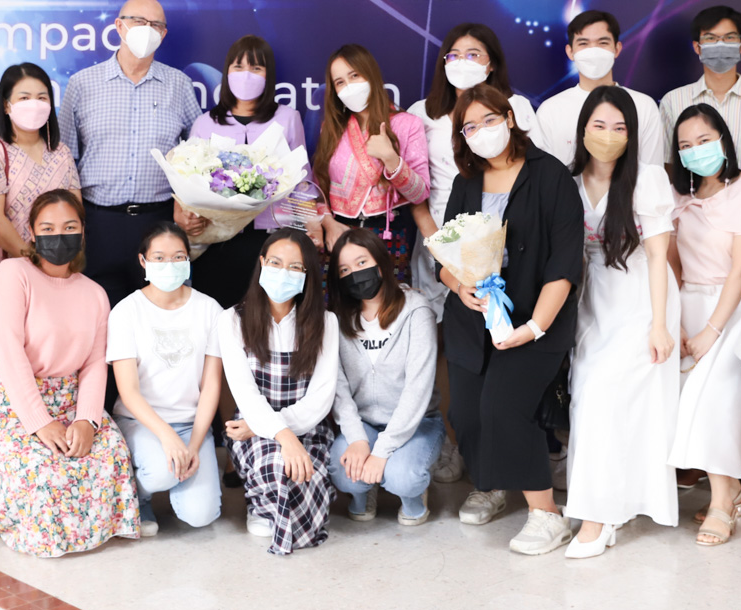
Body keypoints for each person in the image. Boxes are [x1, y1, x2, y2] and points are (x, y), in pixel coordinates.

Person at [439, 85, 582, 556]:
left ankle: (547, 514)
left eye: (489, 120)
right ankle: (491, 484)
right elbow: (446, 255)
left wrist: (535, 327)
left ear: (510, 118)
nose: (482, 131)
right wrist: (459, 286)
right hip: (471, 319)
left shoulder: (551, 176)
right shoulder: (466, 181)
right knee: (467, 413)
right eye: (470, 126)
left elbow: (564, 264)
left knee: (504, 406)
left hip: (534, 320)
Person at [407, 23, 546, 484]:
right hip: (440, 245)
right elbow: (417, 190)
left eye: (474, 53)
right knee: (448, 348)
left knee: (501, 340)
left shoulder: (515, 107)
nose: (463, 62)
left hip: (503, 247)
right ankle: (454, 442)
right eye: (454, 54)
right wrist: (444, 254)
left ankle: (507, 451)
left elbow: (533, 176)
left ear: (492, 63)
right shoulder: (422, 113)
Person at [0, 190, 139, 556]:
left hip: (69, 398)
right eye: (47, 228)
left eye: (69, 227)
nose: (58, 235)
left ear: (83, 232)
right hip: (10, 399)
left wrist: (87, 420)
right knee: (42, 470)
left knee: (110, 453)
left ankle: (94, 529)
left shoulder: (95, 294)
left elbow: (94, 364)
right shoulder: (13, 274)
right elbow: (8, 352)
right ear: (32, 232)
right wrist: (39, 421)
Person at [564, 85, 679, 558]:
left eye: (619, 127)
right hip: (591, 302)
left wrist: (659, 324)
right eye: (599, 125)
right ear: (583, 130)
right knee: (586, 401)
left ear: (631, 135)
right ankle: (603, 504)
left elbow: (658, 257)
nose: (608, 135)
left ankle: (599, 517)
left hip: (640, 299)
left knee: (604, 399)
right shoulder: (568, 181)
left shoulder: (647, 179)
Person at [665, 104, 741, 546]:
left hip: (733, 311)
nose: (695, 150)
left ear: (723, 140)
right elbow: (673, 264)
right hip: (688, 304)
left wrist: (712, 331)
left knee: (712, 400)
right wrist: (674, 319)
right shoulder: (678, 197)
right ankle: (730, 490)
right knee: (686, 405)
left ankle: (721, 503)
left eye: (703, 141)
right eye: (685, 145)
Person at [58, 0, 202, 306]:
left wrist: (188, 207)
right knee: (98, 315)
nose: (147, 29)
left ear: (163, 34)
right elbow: (65, 161)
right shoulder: (82, 84)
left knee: (161, 314)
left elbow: (199, 156)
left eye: (156, 25)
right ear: (119, 26)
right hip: (98, 225)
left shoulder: (179, 85)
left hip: (159, 224)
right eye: (139, 21)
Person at [219, 229, 339, 555]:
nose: (283, 273)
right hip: (255, 425)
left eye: (295, 267)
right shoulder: (232, 320)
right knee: (275, 466)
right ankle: (259, 503)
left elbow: (321, 397)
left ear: (307, 274)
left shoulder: (325, 323)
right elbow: (245, 393)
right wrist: (282, 436)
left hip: (308, 428)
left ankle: (276, 501)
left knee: (302, 480)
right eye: (275, 262)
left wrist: (276, 429)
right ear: (261, 263)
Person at [107, 223, 224, 534]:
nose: (168, 265)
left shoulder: (210, 310)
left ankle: (175, 474)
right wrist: (167, 437)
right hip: (141, 421)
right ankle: (137, 496)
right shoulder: (126, 311)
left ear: (188, 260)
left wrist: (194, 444)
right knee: (163, 471)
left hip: (191, 424)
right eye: (159, 258)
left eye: (178, 257)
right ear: (143, 261)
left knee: (201, 515)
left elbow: (211, 385)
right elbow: (129, 391)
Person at [188, 34, 316, 309]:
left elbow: (302, 182)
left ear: (269, 75)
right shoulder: (205, 123)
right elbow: (189, 182)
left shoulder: (288, 118)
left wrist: (310, 229)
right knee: (219, 317)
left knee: (268, 317)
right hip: (218, 241)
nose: (246, 75)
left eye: (256, 68)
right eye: (239, 67)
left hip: (273, 242)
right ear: (227, 72)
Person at [327, 228, 442, 526]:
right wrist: (357, 439)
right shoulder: (337, 319)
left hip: (417, 424)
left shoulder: (416, 310)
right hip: (365, 422)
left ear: (381, 261)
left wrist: (381, 451)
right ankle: (363, 494)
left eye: (362, 262)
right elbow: (338, 388)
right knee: (342, 470)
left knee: (403, 476)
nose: (355, 273)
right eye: (344, 269)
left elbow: (418, 388)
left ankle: (413, 500)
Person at [312, 44, 430, 284]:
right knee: (337, 304)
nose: (349, 86)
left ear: (371, 75)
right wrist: (329, 225)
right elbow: (317, 190)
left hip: (388, 234)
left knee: (386, 304)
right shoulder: (331, 129)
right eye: (340, 82)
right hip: (339, 234)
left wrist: (391, 159)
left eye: (355, 75)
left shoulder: (407, 124)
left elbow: (420, 193)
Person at [0, 62, 81, 275]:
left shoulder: (62, 152)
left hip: (60, 270)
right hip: (8, 271)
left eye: (42, 98)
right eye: (24, 98)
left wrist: (61, 265)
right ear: (6, 106)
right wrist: (36, 264)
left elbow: (77, 213)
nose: (34, 105)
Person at [658, 5, 741, 186]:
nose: (720, 44)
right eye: (710, 38)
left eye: (729, 37)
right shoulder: (673, 102)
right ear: (697, 47)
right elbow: (668, 164)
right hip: (693, 202)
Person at [536, 10, 665, 169]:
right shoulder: (550, 110)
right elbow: (544, 174)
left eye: (603, 43)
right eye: (583, 43)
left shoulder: (644, 106)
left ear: (617, 49)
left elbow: (653, 172)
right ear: (570, 52)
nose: (593, 51)